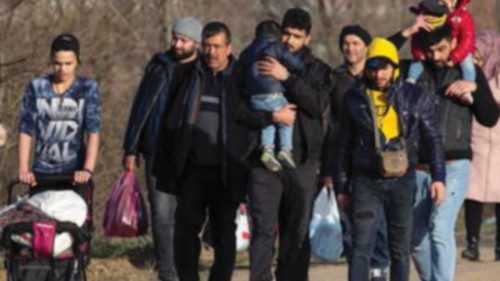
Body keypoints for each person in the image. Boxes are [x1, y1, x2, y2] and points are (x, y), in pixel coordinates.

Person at [334, 37, 446, 281]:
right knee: (360, 247)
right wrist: (342, 186)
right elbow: (342, 146)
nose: (379, 74)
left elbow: (433, 139)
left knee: (400, 248)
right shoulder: (354, 98)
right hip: (365, 181)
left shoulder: (415, 96)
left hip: (403, 180)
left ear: (395, 66)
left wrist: (439, 177)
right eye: (373, 67)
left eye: (384, 67)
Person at [237, 8, 332, 281]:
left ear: (308, 38)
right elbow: (239, 111)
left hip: (301, 161)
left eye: (297, 36)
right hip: (263, 159)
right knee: (264, 229)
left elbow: (316, 105)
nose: (289, 41)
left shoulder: (318, 69)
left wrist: (287, 77)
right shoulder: (256, 59)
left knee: (296, 232)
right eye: (286, 34)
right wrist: (270, 116)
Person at [152, 22, 250, 281]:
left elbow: (252, 120)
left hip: (227, 171)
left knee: (224, 236)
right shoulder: (188, 75)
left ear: (229, 48)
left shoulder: (241, 80)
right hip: (192, 170)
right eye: (206, 46)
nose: (211, 52)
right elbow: (168, 120)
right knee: (184, 232)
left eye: (217, 46)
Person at [409, 25, 500, 281]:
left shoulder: (468, 72)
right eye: (430, 51)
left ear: (453, 44)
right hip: (419, 167)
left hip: (455, 163)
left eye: (441, 49)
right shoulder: (414, 72)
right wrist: (408, 31)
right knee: (415, 238)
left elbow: (491, 117)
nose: (436, 56)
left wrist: (474, 89)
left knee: (439, 229)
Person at [122, 17, 202, 281]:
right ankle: (168, 272)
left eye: (184, 40)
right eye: (175, 38)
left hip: (191, 153)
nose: (177, 44)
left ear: (196, 43)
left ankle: (187, 267)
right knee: (162, 213)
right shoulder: (159, 65)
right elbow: (141, 106)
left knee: (188, 214)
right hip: (157, 149)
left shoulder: (203, 69)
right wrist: (131, 147)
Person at [18, 33, 100, 192]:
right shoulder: (36, 87)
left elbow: (93, 133)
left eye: (68, 63)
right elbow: (25, 131)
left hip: (75, 174)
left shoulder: (87, 88)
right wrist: (23, 169)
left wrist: (87, 170)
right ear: (51, 60)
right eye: (58, 63)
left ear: (77, 61)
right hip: (41, 173)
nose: (63, 69)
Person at [239, 20, 304, 171]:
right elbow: (294, 63)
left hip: (254, 98)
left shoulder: (247, 51)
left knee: (268, 121)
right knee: (286, 117)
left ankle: (267, 149)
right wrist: (300, 68)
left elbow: (240, 71)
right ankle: (285, 149)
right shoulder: (276, 46)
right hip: (273, 94)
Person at [461, 30, 500, 262]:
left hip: (498, 143)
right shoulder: (470, 75)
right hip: (476, 141)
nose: (475, 55)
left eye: (480, 51)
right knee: (472, 194)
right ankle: (472, 242)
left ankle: (499, 245)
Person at [407, 0, 476, 104]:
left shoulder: (463, 16)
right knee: (416, 62)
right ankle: (410, 81)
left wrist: (455, 56)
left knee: (468, 64)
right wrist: (418, 53)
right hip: (437, 47)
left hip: (460, 50)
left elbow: (468, 39)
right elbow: (417, 37)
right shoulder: (434, 13)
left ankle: (467, 89)